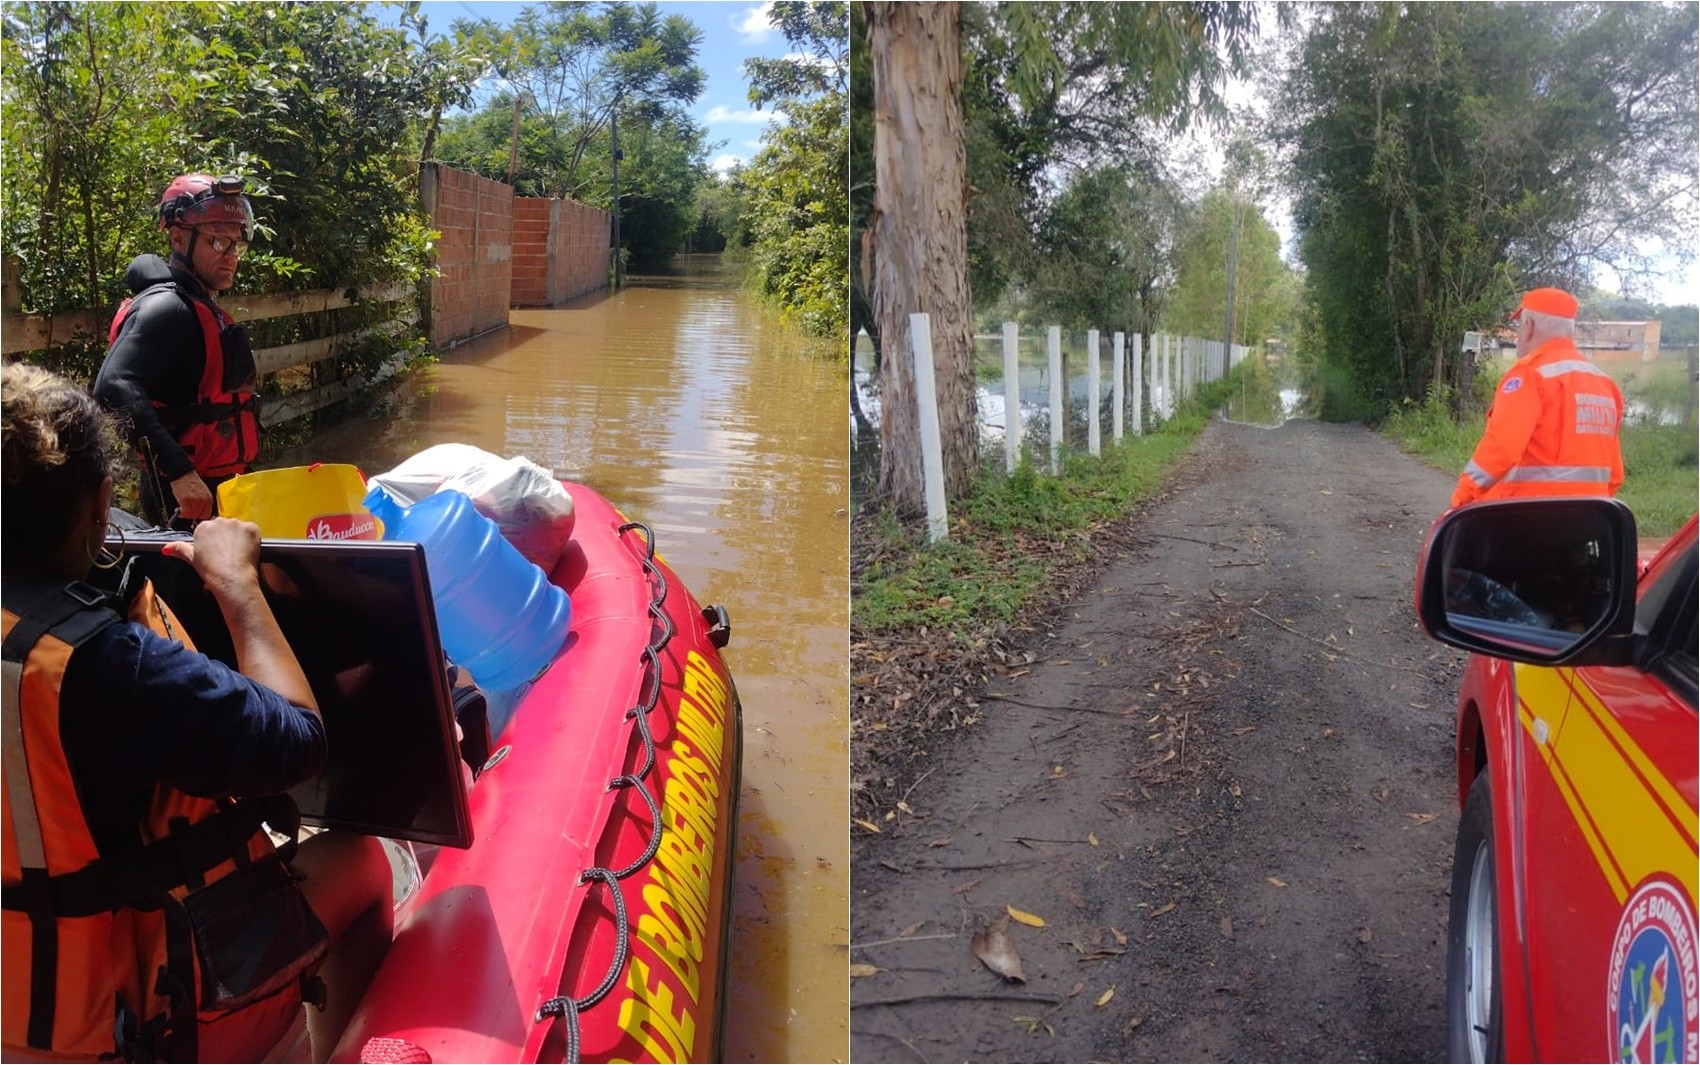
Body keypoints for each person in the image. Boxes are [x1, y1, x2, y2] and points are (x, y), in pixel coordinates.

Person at [1, 362, 390, 1062]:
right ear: (99, 505)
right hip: (126, 1025)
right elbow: (299, 740)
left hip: (17, 1006)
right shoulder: (105, 665)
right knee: (362, 864)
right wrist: (237, 585)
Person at [93, 174, 262, 528]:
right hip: (188, 494)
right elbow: (113, 386)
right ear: (177, 237)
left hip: (217, 485)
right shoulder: (167, 308)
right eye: (217, 241)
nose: (231, 256)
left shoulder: (198, 305)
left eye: (235, 244)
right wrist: (180, 471)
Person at [1450, 286, 1624, 507]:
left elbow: (1501, 450)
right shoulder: (1605, 384)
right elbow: (1615, 475)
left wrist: (1461, 498)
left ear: (1529, 326)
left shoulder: (1529, 375)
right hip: (1586, 522)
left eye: (1519, 326)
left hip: (1525, 518)